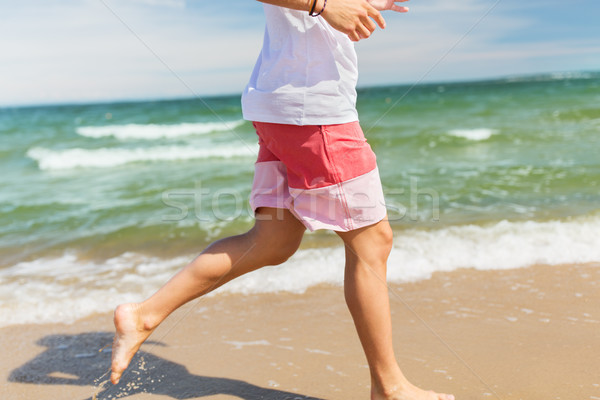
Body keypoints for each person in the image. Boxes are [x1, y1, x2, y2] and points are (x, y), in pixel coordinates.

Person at [110, 1, 455, 399]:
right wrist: (325, 6)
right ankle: (389, 388)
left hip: (290, 104)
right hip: (311, 108)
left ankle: (143, 315)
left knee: (272, 243)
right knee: (372, 242)